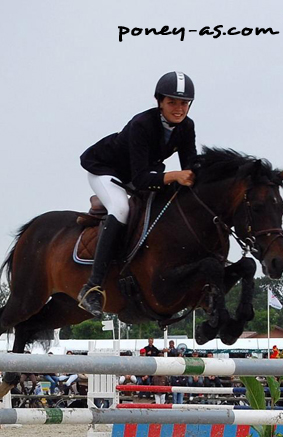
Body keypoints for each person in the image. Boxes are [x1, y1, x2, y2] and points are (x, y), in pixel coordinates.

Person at [77, 71, 197, 317]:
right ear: (160, 102)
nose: (178, 108)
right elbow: (143, 179)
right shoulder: (142, 124)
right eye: (172, 102)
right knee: (121, 209)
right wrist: (174, 176)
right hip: (107, 170)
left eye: (183, 103)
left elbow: (191, 166)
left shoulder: (187, 127)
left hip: (138, 173)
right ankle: (93, 286)